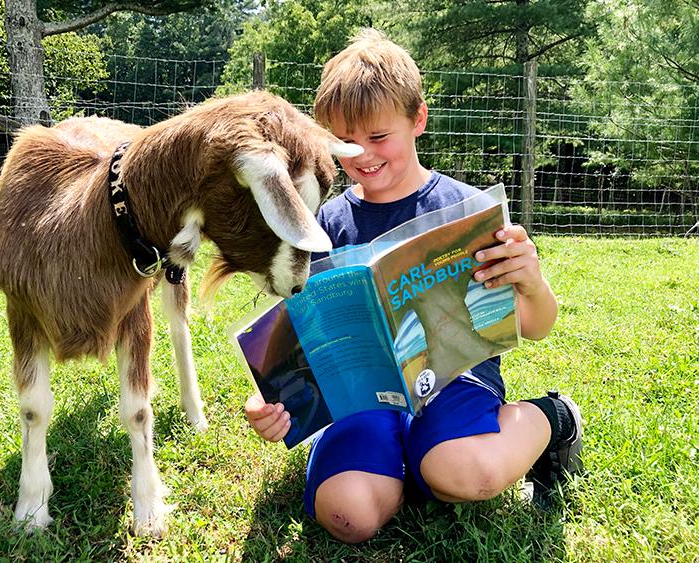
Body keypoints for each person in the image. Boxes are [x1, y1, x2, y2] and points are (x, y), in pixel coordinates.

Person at [244, 29, 583, 544]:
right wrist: (269, 402)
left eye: (379, 137)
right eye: (346, 142)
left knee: (471, 474)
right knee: (348, 517)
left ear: (418, 119)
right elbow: (295, 339)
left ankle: (552, 418)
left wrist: (530, 281)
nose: (363, 155)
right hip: (363, 401)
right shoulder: (323, 224)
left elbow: (538, 325)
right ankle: (397, 461)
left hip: (456, 383)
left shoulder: (466, 212)